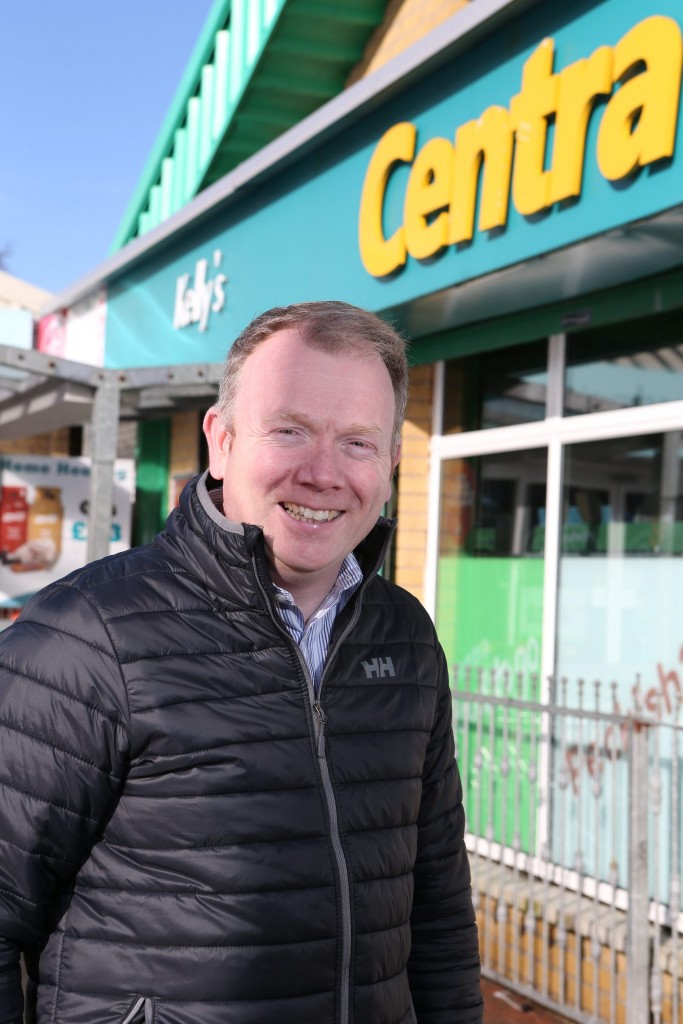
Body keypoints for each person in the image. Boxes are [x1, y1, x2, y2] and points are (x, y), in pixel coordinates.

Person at [0, 301, 482, 1024]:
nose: (322, 473)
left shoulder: (404, 637)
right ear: (220, 442)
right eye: (290, 430)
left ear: (390, 465)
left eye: (357, 442)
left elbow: (438, 906)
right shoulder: (86, 635)